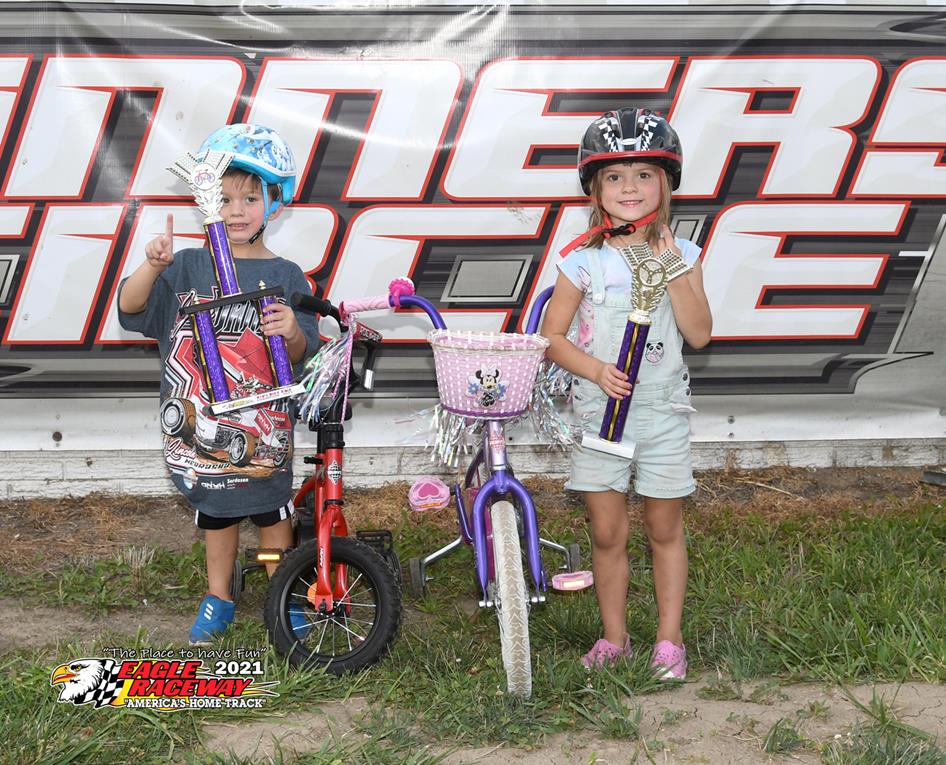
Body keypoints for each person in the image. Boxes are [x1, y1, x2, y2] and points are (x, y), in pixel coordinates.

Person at [118, 123, 320, 645]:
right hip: (202, 422)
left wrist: (292, 331)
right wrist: (151, 266)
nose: (236, 210)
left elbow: (303, 354)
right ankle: (218, 597)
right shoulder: (186, 267)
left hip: (264, 426)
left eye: (250, 198)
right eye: (224, 198)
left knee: (273, 516)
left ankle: (283, 594)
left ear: (274, 202)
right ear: (205, 201)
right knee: (216, 515)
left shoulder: (288, 275)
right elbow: (130, 308)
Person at [541, 108, 712, 679]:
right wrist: (594, 370)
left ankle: (669, 641)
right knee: (607, 532)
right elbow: (551, 338)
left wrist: (670, 266)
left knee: (664, 528)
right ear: (594, 188)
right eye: (615, 176)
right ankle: (614, 638)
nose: (630, 187)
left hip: (662, 413)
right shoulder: (582, 261)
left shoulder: (685, 256)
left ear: (666, 183)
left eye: (644, 174)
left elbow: (699, 333)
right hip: (600, 415)